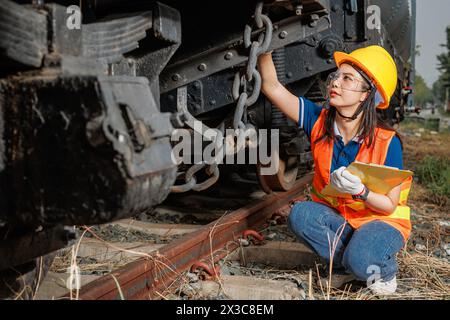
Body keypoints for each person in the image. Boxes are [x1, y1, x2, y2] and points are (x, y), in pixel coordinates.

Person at [258, 45, 412, 295]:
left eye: (347, 79)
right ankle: (348, 262)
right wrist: (264, 48)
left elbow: (389, 205)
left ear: (365, 94)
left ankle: (382, 270)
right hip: (342, 220)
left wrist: (360, 191)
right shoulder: (318, 121)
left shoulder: (387, 142)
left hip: (381, 220)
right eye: (336, 76)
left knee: (362, 260)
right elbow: (272, 87)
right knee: (300, 215)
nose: (335, 83)